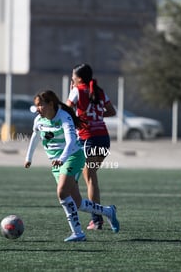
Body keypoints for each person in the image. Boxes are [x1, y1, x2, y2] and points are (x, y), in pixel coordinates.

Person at [24, 90, 119, 242]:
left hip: (73, 157)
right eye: (36, 106)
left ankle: (78, 233)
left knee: (62, 192)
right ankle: (108, 211)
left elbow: (70, 142)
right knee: (77, 202)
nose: (38, 109)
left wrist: (62, 158)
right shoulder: (39, 120)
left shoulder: (64, 117)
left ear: (51, 104)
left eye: (40, 105)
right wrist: (28, 157)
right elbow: (35, 136)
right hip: (57, 162)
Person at [66, 63, 116, 230]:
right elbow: (112, 111)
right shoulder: (100, 91)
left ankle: (97, 220)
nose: (72, 78)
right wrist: (96, 115)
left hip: (90, 139)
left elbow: (66, 111)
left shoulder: (77, 90)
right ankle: (97, 218)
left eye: (73, 76)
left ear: (78, 78)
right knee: (90, 178)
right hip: (103, 138)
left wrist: (82, 116)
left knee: (89, 178)